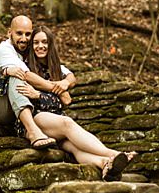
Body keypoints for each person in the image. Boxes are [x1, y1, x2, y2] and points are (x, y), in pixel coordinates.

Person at [10, 25, 137, 181]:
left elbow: (68, 93)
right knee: (67, 123)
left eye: (44, 42)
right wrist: (46, 96)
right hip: (34, 120)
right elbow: (48, 100)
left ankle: (104, 163)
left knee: (73, 147)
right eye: (36, 42)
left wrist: (56, 90)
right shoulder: (24, 66)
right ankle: (113, 154)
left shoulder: (55, 68)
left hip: (53, 122)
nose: (40, 46)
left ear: (50, 44)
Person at [0, 15, 70, 149]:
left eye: (28, 34)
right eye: (19, 33)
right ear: (9, 33)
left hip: (14, 110)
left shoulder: (28, 50)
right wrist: (60, 91)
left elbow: (66, 72)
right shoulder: (3, 50)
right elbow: (26, 75)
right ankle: (33, 132)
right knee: (17, 74)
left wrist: (67, 82)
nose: (24, 38)